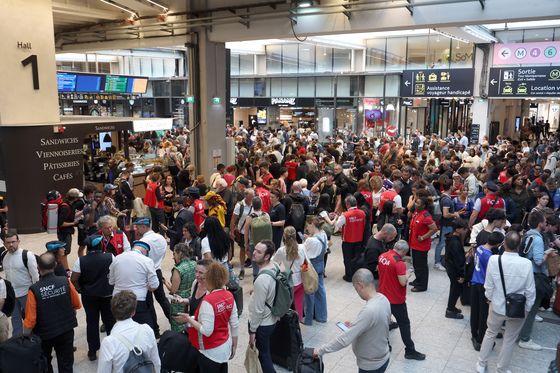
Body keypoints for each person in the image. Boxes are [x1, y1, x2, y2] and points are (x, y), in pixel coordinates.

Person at [476, 231, 536, 373]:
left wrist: (490, 299)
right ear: (519, 245)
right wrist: (527, 308)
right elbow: (530, 291)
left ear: (504, 244)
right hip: (518, 308)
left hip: (496, 305)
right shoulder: (527, 264)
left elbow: (488, 285)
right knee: (509, 339)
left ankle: (481, 364)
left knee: (490, 333)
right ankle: (502, 369)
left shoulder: (494, 260)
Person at [314, 269, 391, 373]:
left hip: (370, 366)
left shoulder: (369, 310)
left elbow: (344, 340)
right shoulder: (383, 299)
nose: (357, 292)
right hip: (383, 356)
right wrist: (357, 324)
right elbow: (379, 323)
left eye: (356, 289)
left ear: (360, 285)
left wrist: (320, 351)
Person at [23, 252, 81, 373]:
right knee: (66, 363)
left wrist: (26, 336)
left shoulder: (34, 289)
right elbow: (76, 304)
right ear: (55, 265)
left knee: (45, 363)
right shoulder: (65, 281)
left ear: (38, 268)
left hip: (45, 335)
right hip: (66, 330)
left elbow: (30, 320)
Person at [176, 262, 239, 372]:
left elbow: (207, 331)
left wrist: (188, 319)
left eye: (202, 273)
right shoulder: (229, 296)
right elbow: (234, 324)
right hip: (224, 345)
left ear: (209, 277)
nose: (198, 276)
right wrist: (234, 345)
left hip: (209, 350)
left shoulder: (208, 301)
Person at [377, 240, 426, 361]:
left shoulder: (382, 256)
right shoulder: (399, 263)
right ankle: (410, 350)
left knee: (383, 323)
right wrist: (407, 274)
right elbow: (402, 282)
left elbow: (380, 271)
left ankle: (384, 346)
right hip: (396, 300)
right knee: (404, 324)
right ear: (403, 251)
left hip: (382, 296)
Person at [70, 235, 115, 361]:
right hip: (107, 294)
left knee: (92, 322)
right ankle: (113, 349)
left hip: (89, 296)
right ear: (100, 245)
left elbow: (73, 279)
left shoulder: (81, 260)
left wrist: (80, 289)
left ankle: (92, 351)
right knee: (110, 322)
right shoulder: (110, 256)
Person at [97, 291, 161, 373]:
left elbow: (103, 371)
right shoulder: (147, 330)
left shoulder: (109, 342)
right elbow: (156, 362)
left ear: (113, 312)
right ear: (133, 312)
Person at [518, 210, 555, 351]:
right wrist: (548, 253)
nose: (546, 224)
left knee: (525, 306)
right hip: (535, 276)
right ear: (540, 224)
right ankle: (525, 338)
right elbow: (539, 261)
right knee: (532, 309)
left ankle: (518, 332)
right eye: (545, 222)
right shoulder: (538, 239)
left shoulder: (528, 234)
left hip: (525, 273)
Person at [108, 240, 159, 330]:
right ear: (145, 251)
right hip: (138, 300)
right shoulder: (147, 261)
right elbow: (155, 285)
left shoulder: (117, 258)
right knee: (144, 328)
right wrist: (146, 286)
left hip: (118, 299)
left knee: (121, 328)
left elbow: (111, 282)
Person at [133, 216, 170, 337]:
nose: (136, 229)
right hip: (157, 271)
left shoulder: (143, 242)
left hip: (145, 274)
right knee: (163, 300)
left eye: (138, 227)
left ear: (144, 226)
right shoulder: (161, 238)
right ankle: (175, 323)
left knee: (149, 304)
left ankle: (155, 330)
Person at [248, 240, 279, 373]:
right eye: (255, 249)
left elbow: (258, 310)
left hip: (263, 324)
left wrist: (252, 331)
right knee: (267, 352)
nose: (254, 253)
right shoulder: (275, 266)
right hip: (273, 318)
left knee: (264, 356)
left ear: (267, 256)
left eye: (259, 252)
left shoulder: (261, 280)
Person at [470, 231, 504, 351]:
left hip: (475, 281)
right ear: (498, 244)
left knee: (474, 310)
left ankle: (474, 333)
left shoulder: (479, 248)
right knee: (483, 313)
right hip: (483, 285)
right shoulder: (490, 257)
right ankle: (480, 339)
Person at [2, 229, 39, 336]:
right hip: (13, 296)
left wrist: (35, 295)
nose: (11, 245)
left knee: (31, 320)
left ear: (18, 241)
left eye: (13, 242)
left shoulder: (27, 255)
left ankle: (34, 342)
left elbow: (35, 277)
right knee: (15, 320)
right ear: (4, 244)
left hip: (27, 294)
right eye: (8, 243)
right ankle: (17, 344)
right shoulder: (4, 256)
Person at [272, 227, 305, 321]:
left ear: (284, 236)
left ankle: (287, 323)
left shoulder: (281, 250)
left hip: (288, 282)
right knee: (299, 302)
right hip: (300, 280)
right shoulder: (301, 248)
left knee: (286, 304)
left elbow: (274, 263)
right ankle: (298, 321)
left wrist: (283, 268)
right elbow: (305, 264)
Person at [408, 193, 438, 292]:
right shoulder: (416, 213)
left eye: (418, 203)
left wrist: (423, 237)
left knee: (422, 266)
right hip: (414, 244)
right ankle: (418, 279)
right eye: (416, 202)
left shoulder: (426, 216)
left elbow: (434, 229)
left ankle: (422, 285)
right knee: (416, 264)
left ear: (424, 206)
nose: (416, 205)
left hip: (421, 246)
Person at [163, 243, 196, 331]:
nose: (173, 257)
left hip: (179, 301)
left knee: (177, 323)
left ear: (180, 253)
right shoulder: (194, 264)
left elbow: (173, 290)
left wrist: (166, 282)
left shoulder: (178, 269)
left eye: (174, 254)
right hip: (191, 297)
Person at [303, 218, 329, 326]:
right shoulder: (323, 234)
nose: (307, 229)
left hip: (309, 268)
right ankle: (321, 316)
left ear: (312, 224)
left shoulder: (310, 240)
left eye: (308, 226)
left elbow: (304, 254)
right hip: (320, 265)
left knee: (309, 292)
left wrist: (305, 240)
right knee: (320, 291)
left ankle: (308, 319)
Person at [335, 195, 367, 282]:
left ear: (348, 204)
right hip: (359, 239)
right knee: (356, 258)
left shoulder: (345, 215)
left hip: (348, 240)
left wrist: (337, 218)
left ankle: (349, 276)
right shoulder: (362, 213)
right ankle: (356, 274)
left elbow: (337, 225)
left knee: (347, 259)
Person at [435, 177, 462, 271]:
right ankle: (437, 262)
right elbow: (446, 214)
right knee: (442, 243)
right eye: (454, 184)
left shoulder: (445, 197)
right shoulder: (446, 200)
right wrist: (454, 214)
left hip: (447, 224)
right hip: (446, 225)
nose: (455, 186)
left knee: (444, 243)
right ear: (450, 187)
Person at [444, 219, 469, 319]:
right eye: (464, 228)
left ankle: (452, 307)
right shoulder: (455, 242)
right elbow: (458, 260)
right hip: (454, 270)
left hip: (451, 267)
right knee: (456, 289)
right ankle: (450, 310)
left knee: (454, 288)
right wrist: (461, 275)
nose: (466, 230)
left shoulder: (452, 237)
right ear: (458, 229)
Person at [229, 188, 254, 278]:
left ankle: (256, 268)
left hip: (253, 232)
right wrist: (232, 232)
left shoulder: (254, 203)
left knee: (253, 250)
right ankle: (242, 269)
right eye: (251, 196)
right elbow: (233, 219)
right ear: (246, 196)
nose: (253, 198)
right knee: (243, 250)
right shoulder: (240, 205)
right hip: (243, 232)